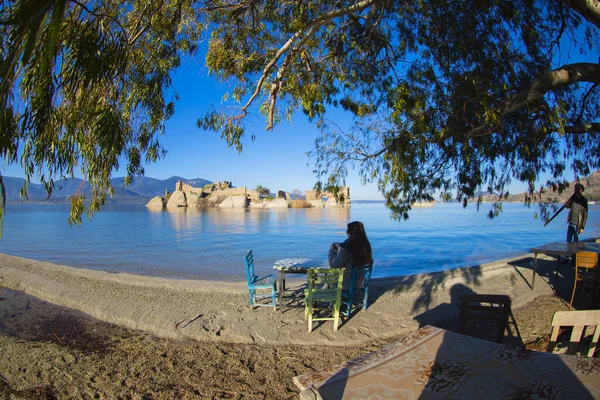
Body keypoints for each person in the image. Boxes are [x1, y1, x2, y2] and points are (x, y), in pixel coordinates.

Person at [328, 221, 373, 291]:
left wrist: (331, 251)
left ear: (350, 233)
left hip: (347, 285)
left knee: (330, 274)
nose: (346, 232)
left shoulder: (345, 249)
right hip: (360, 282)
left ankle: (329, 294)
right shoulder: (366, 246)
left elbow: (334, 266)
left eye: (347, 230)